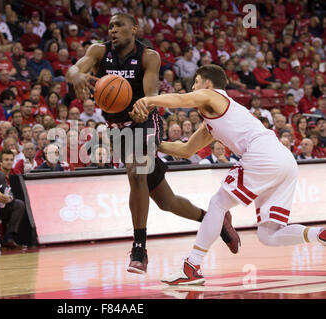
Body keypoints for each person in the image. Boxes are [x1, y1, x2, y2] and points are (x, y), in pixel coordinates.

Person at [66, 13, 240, 275]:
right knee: (165, 201)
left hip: (146, 122)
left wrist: (143, 109)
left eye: (119, 26)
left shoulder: (149, 56)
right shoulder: (99, 51)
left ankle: (139, 249)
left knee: (136, 173)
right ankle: (215, 221)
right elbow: (75, 68)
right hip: (117, 129)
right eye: (110, 26)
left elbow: (151, 97)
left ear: (133, 28)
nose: (113, 30)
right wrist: (75, 75)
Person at [132, 64, 326, 285]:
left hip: (262, 154)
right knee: (268, 235)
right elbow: (185, 150)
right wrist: (152, 144)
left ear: (206, 83)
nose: (193, 88)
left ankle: (192, 266)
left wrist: (148, 100)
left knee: (217, 204)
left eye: (195, 83)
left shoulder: (213, 95)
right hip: (284, 160)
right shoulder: (215, 119)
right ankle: (319, 234)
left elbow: (183, 100)